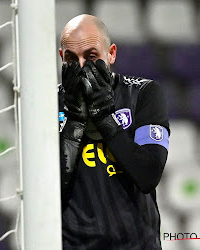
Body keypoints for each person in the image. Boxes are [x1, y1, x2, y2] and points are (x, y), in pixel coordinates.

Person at [59, 14, 170, 250]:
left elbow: (148, 175)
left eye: (90, 56)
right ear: (61, 57)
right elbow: (44, 190)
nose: (81, 67)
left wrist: (104, 119)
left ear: (111, 53)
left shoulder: (143, 94)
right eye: (71, 58)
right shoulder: (48, 103)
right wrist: (75, 124)